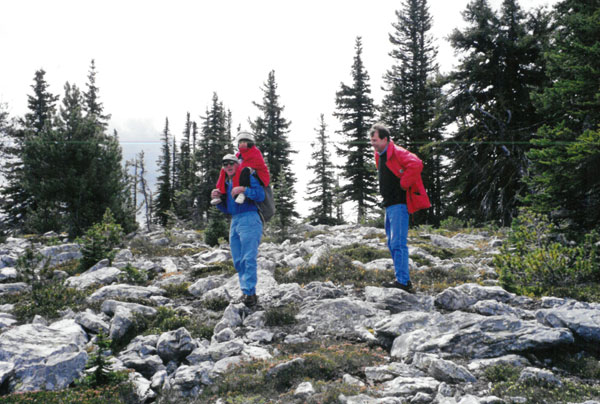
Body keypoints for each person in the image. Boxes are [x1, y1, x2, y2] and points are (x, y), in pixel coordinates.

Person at [370, 123, 430, 293]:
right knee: (392, 243)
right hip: (389, 205)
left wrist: (404, 183)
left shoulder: (396, 152)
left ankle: (404, 282)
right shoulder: (380, 154)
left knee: (398, 243)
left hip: (399, 204)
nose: (372, 143)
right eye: (371, 140)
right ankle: (401, 279)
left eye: (375, 140)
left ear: (385, 139)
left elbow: (417, 164)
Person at [211, 153, 265, 308]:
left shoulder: (248, 178)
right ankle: (246, 291)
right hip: (235, 221)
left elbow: (260, 195)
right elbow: (228, 208)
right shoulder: (227, 185)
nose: (228, 166)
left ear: (237, 164)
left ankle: (250, 294)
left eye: (231, 163)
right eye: (225, 164)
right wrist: (217, 200)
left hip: (250, 218)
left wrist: (244, 189)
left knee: (248, 258)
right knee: (238, 260)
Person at [212, 131, 270, 205]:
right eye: (241, 141)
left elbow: (257, 164)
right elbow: (235, 164)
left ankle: (242, 193)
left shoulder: (255, 151)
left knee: (244, 170)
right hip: (244, 171)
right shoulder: (238, 154)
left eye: (245, 141)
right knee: (224, 170)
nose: (242, 143)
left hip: (259, 175)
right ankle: (221, 193)